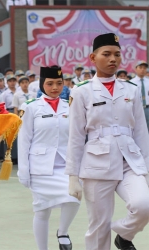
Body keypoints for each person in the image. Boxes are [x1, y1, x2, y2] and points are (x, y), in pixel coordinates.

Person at [66, 33, 149, 250]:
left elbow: (141, 131)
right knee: (99, 226)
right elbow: (75, 135)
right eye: (107, 54)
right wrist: (73, 176)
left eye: (117, 54)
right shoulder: (81, 91)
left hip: (128, 159)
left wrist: (146, 168)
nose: (113, 59)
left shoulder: (131, 89)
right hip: (97, 162)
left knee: (144, 206)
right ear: (93, 58)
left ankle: (124, 235)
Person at [18, 66, 80, 250]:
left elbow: (76, 137)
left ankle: (62, 231)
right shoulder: (30, 107)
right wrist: (24, 170)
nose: (55, 87)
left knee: (74, 198)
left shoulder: (70, 106)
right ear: (42, 84)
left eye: (59, 83)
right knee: (42, 211)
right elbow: (24, 140)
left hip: (66, 165)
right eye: (50, 83)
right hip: (40, 167)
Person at [130, 60, 149, 130]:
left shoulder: (148, 81)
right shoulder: (131, 83)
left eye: (144, 68)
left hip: (148, 107)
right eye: (140, 67)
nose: (143, 70)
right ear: (136, 69)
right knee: (138, 128)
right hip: (137, 108)